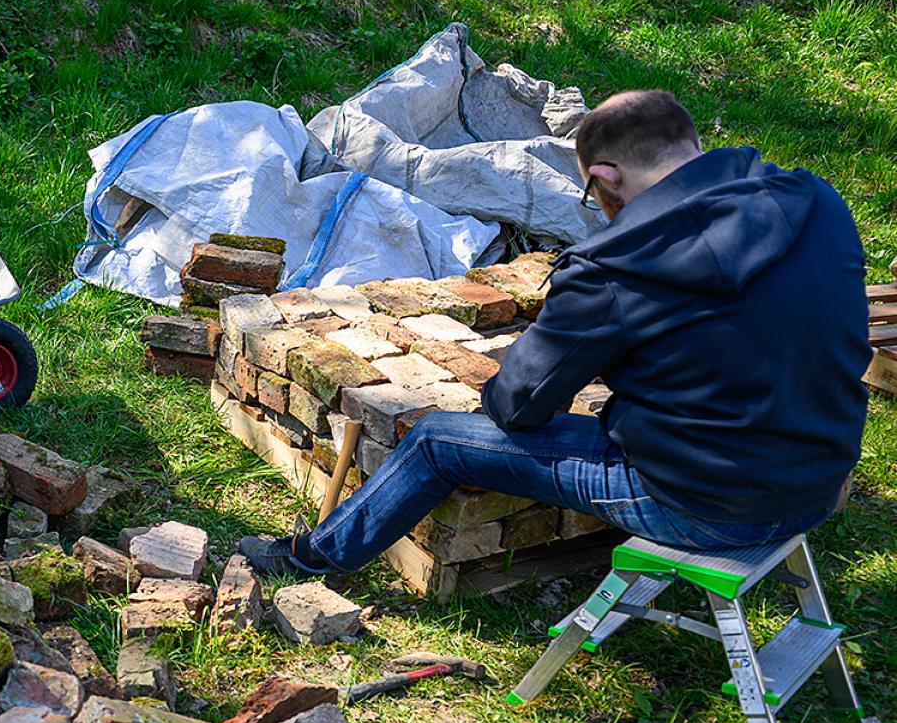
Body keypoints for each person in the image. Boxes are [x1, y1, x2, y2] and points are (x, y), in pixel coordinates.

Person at [239, 89, 871, 576]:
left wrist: (579, 351)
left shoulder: (616, 269)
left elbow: (518, 405)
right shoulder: (815, 203)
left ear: (602, 177)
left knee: (435, 438)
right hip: (818, 481)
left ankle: (312, 558)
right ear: (690, 145)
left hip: (703, 507)